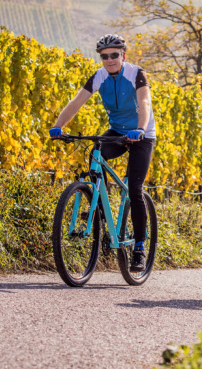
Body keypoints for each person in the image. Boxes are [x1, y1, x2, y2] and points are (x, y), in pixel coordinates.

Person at [49, 34, 155, 272]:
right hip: (117, 131)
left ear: (123, 56)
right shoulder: (99, 76)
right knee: (96, 154)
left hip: (141, 134)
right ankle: (100, 206)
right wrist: (59, 126)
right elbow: (77, 102)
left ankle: (139, 247)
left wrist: (139, 129)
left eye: (114, 55)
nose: (109, 60)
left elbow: (145, 102)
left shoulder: (136, 73)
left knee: (135, 189)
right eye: (104, 56)